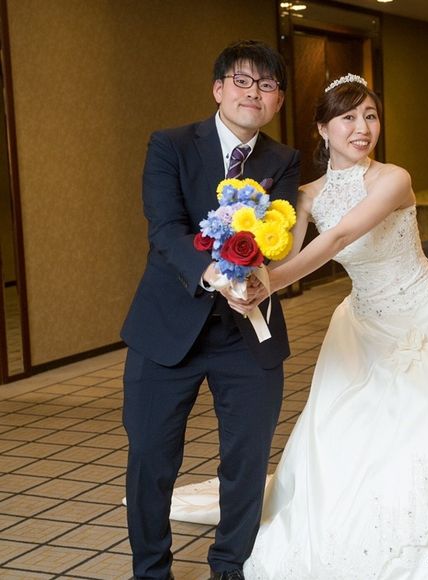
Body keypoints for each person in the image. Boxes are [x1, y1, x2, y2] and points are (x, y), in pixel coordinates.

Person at [172, 74, 428, 579]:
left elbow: (338, 238)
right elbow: (286, 254)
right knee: (350, 439)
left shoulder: (393, 179)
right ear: (323, 128)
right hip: (363, 325)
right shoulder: (306, 195)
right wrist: (242, 269)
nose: (362, 128)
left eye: (370, 116)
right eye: (348, 117)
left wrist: (268, 284)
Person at [121, 40, 300, 580]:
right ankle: (151, 570)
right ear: (218, 89)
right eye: (242, 81)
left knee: (245, 461)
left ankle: (229, 565)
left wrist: (256, 279)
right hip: (167, 328)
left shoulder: (283, 161)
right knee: (152, 459)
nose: (253, 93)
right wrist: (214, 276)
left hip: (246, 331)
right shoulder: (171, 145)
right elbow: (165, 228)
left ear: (278, 100)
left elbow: (281, 239)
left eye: (266, 85)